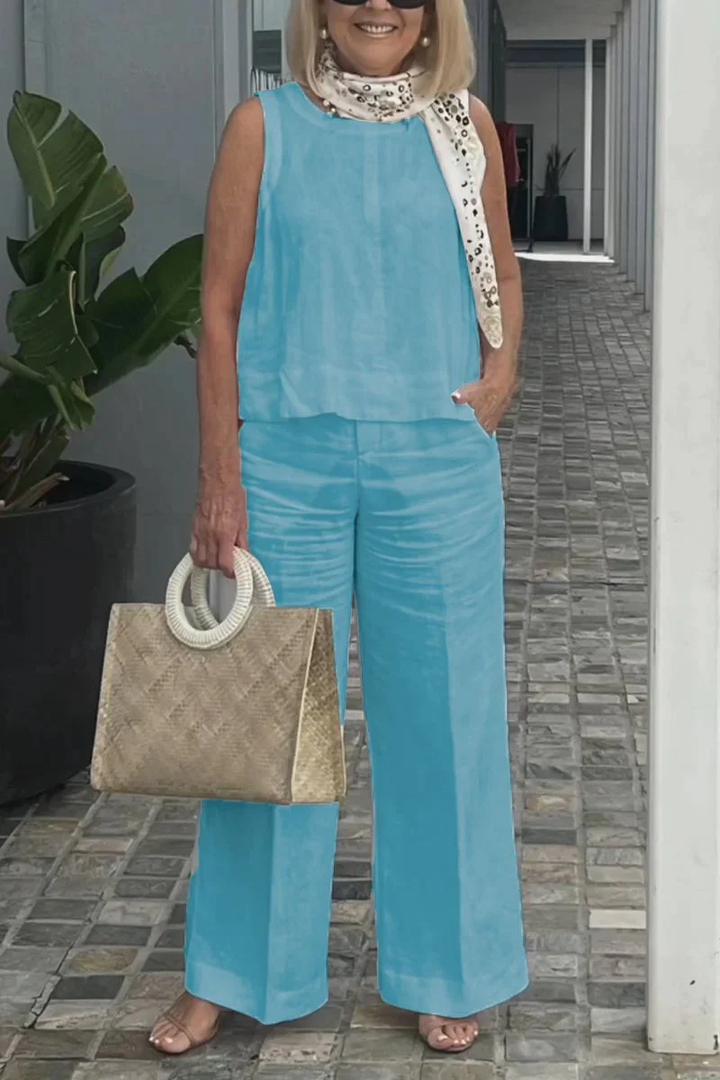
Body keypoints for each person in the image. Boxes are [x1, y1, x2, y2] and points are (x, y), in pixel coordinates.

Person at [150, 0, 528, 1057]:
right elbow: (217, 308)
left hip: (436, 461)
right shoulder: (261, 127)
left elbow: (500, 272)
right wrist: (219, 476)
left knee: (446, 721)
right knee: (268, 725)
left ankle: (450, 966)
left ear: (433, 12)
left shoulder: (463, 126)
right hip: (286, 462)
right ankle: (235, 971)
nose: (379, 5)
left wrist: (501, 376)